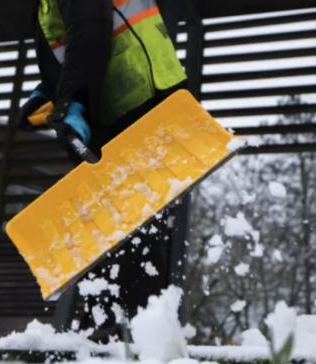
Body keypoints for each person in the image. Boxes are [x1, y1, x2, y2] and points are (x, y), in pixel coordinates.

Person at [17, 0, 188, 338]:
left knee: (127, 232)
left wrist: (73, 99)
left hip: (133, 100)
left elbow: (91, 30)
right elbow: (83, 36)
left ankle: (123, 336)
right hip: (141, 97)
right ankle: (121, 329)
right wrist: (52, 87)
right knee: (128, 227)